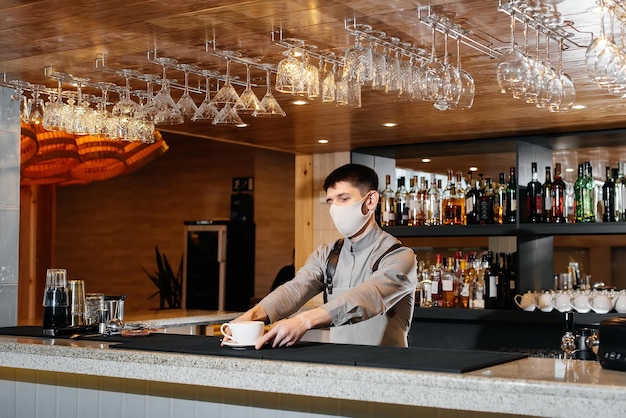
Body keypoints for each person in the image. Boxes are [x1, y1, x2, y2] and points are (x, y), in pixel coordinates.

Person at [227, 163, 417, 349]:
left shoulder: (399, 257)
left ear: (370, 200)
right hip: (337, 366)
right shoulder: (326, 254)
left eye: (343, 198)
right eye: (331, 202)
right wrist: (252, 316)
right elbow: (295, 289)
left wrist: (304, 321)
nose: (335, 208)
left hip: (386, 368)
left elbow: (368, 297)